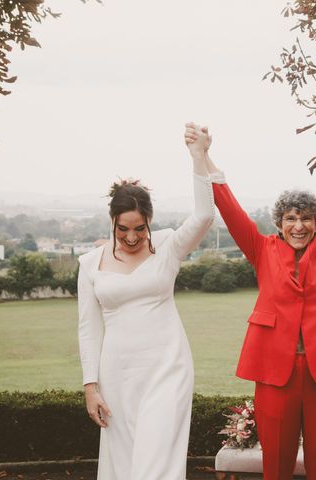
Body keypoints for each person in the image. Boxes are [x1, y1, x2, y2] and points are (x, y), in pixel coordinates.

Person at [184, 123, 316, 480]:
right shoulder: (261, 248)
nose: (299, 226)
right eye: (291, 218)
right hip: (274, 374)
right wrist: (202, 155)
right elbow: (229, 207)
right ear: (279, 223)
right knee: (276, 465)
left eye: (306, 218)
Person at [77, 130, 214, 480]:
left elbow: (203, 217)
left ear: (150, 221)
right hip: (116, 377)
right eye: (123, 229)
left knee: (156, 468)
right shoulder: (90, 263)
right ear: (112, 221)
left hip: (167, 369)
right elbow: (88, 329)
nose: (133, 237)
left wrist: (198, 156)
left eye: (140, 228)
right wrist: (91, 387)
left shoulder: (168, 246)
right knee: (123, 467)